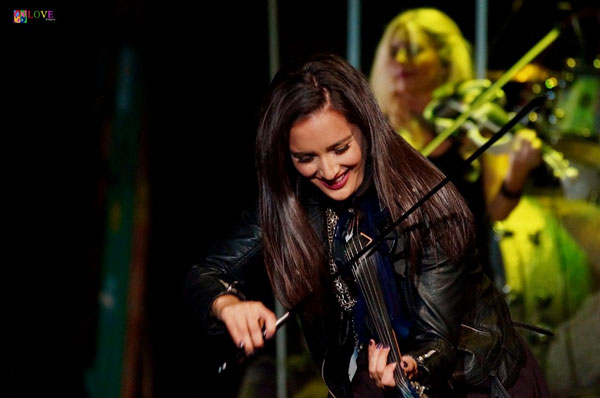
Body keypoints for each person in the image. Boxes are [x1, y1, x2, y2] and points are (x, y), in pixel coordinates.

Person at [183, 53, 549, 397]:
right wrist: (227, 303)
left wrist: (407, 366)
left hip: (471, 382)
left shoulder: (431, 206)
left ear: (366, 128)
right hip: (372, 378)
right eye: (305, 158)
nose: (327, 172)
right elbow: (208, 271)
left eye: (340, 149)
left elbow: (438, 343)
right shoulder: (294, 200)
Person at [369, 8, 543, 282]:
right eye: (394, 51)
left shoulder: (473, 119)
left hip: (465, 283)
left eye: (413, 50)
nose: (401, 60)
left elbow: (497, 212)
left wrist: (517, 172)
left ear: (445, 60)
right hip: (399, 279)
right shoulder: (377, 127)